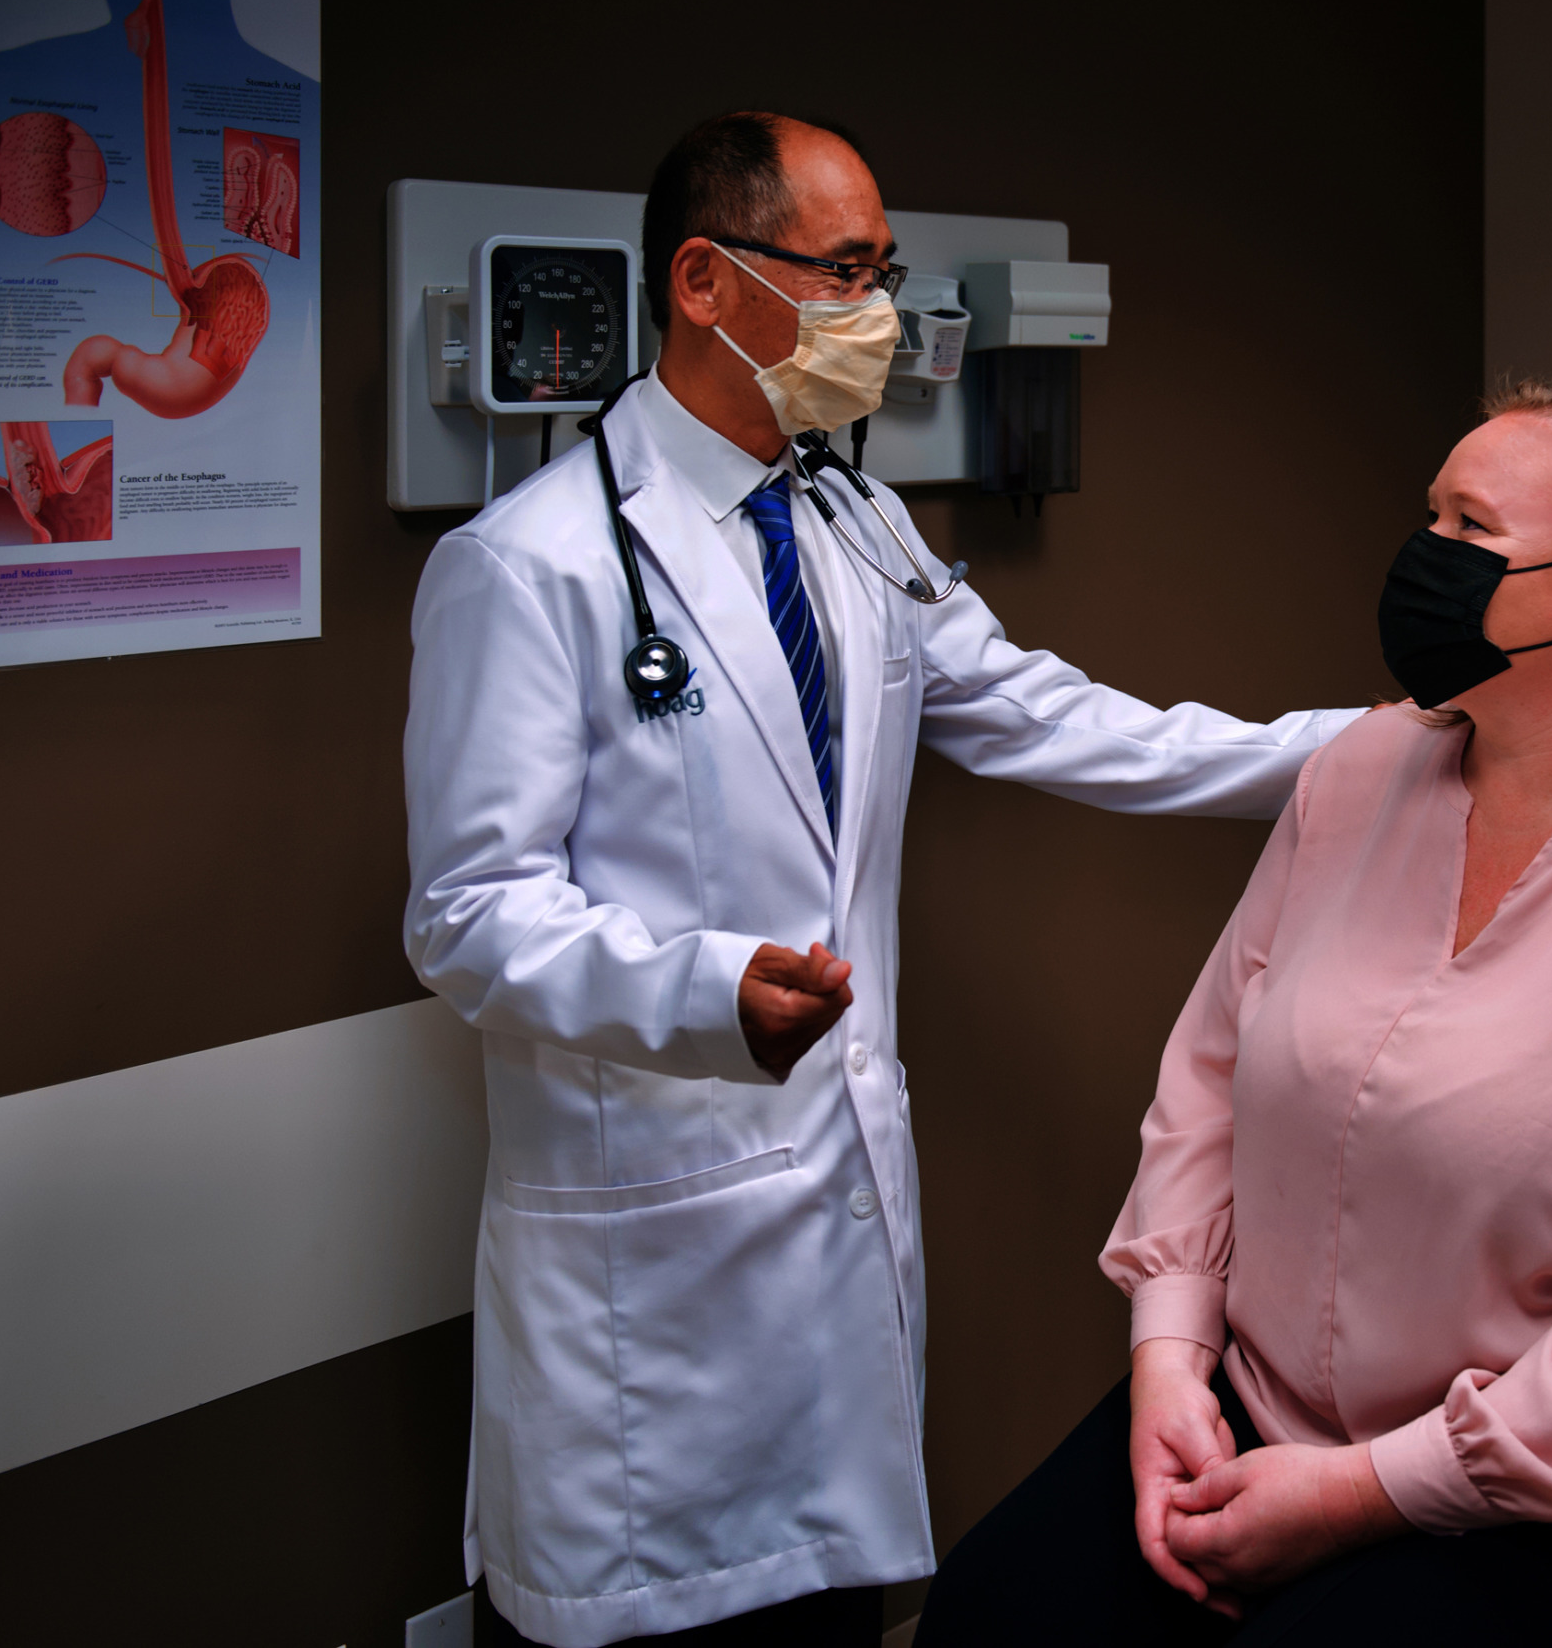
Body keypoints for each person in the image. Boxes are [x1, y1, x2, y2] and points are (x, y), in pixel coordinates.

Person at [401, 112, 1358, 1648]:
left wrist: (1359, 749)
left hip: (832, 1214)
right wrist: (705, 991)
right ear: (706, 281)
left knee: (829, 1619)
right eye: (844, 272)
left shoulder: (855, 521)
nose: (880, 316)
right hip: (650, 1261)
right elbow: (466, 910)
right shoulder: (533, 564)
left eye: (882, 273)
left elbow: (1058, 718)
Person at [917, 383, 1552, 1647]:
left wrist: (1365, 1492)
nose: (1420, 553)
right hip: (1286, 1409)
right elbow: (1210, 1078)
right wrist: (1170, 1353)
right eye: (1425, 511)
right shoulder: (1366, 772)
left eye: (1469, 525)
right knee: (989, 1616)